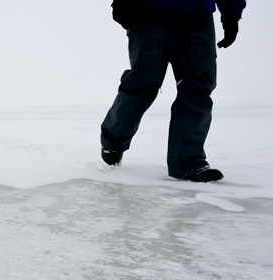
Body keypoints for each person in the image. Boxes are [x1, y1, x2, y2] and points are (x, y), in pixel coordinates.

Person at [100, 0, 246, 182]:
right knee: (144, 82)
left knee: (197, 87)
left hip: (198, 15)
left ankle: (188, 163)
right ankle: (113, 141)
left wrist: (232, 14)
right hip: (150, 11)